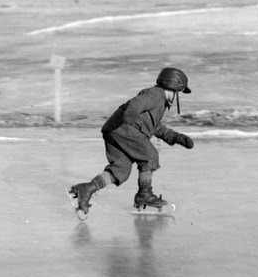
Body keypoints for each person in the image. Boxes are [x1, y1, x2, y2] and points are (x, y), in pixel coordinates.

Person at [69, 67, 194, 213]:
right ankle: (144, 195)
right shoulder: (155, 95)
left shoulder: (159, 102)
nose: (178, 96)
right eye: (178, 92)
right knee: (150, 155)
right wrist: (131, 117)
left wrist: (177, 137)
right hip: (124, 129)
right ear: (173, 86)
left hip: (114, 130)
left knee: (121, 170)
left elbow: (155, 127)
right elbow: (136, 104)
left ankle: (87, 189)